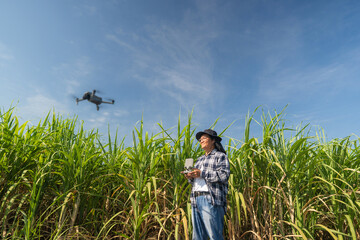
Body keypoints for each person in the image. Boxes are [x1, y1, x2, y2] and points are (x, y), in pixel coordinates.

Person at [183, 129, 230, 240]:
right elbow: (197, 179)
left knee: (214, 235)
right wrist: (190, 177)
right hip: (195, 199)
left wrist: (201, 173)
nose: (201, 141)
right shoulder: (199, 160)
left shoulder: (220, 156)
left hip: (210, 198)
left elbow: (223, 175)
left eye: (204, 138)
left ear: (213, 140)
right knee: (197, 237)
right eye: (200, 139)